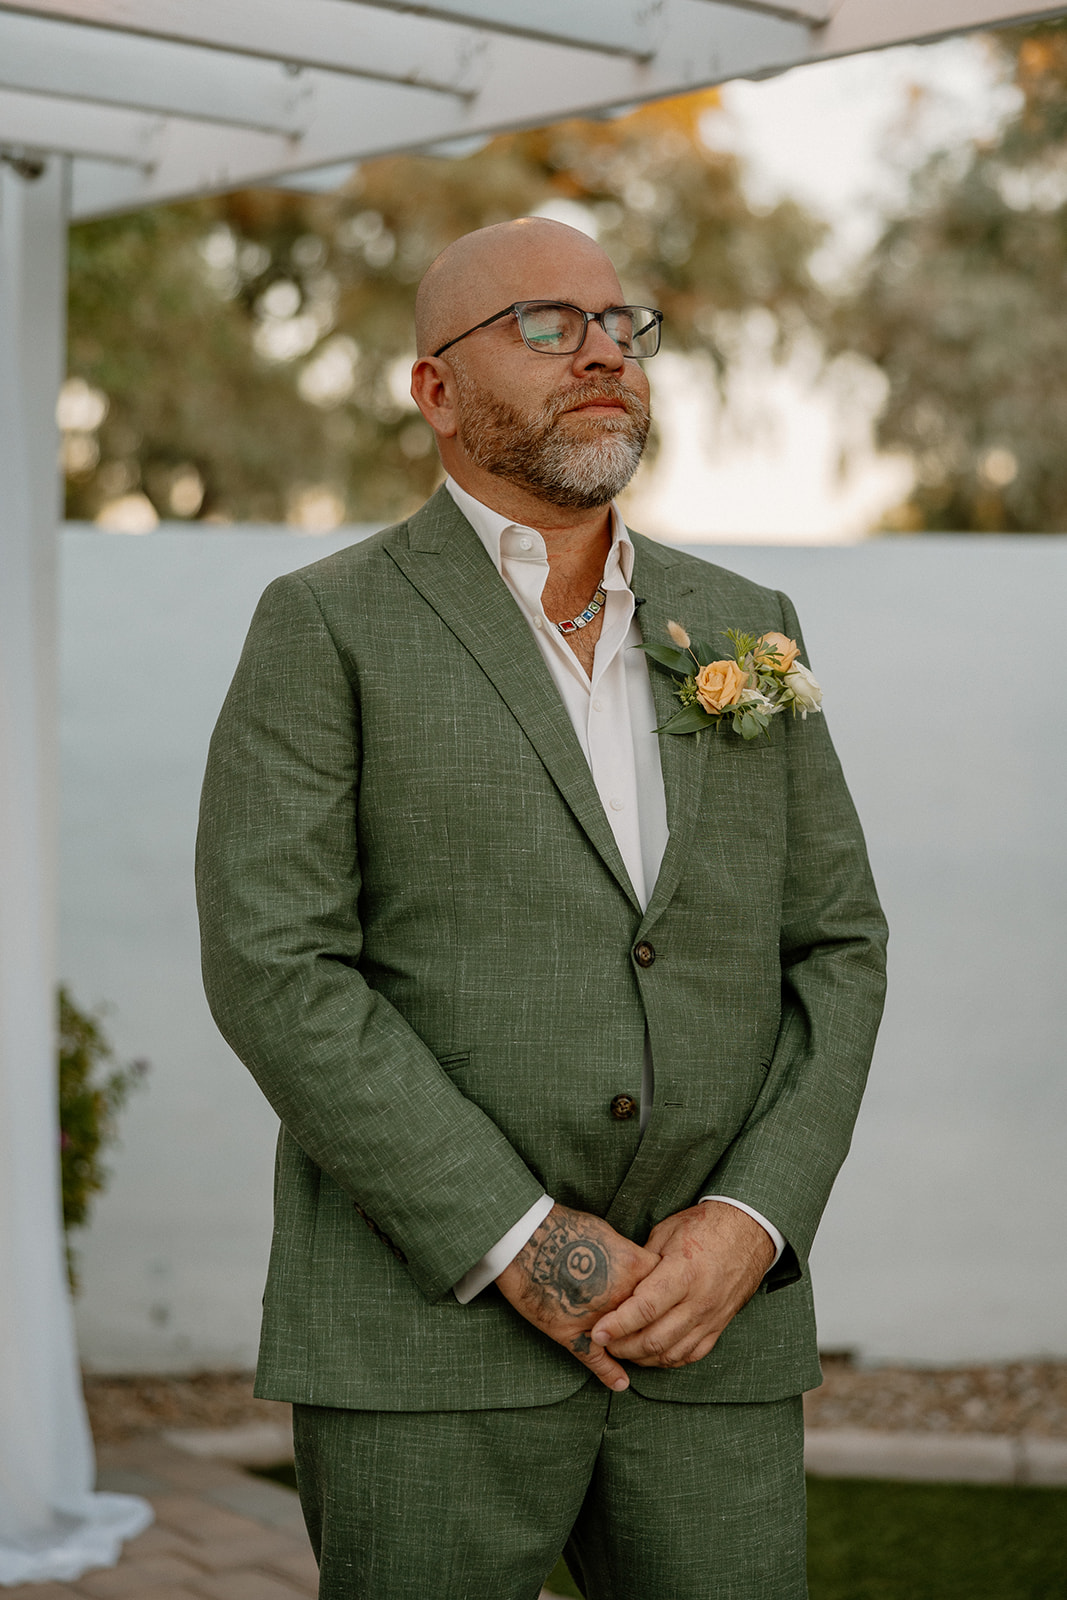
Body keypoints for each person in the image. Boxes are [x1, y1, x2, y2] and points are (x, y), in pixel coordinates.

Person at [196, 216, 887, 1600]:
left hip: (713, 1335)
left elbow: (841, 948)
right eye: (544, 324)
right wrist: (523, 1241)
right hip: (428, 1337)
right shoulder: (326, 627)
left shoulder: (744, 622)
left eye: (620, 324)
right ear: (434, 392)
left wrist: (750, 1220)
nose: (600, 353)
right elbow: (277, 963)